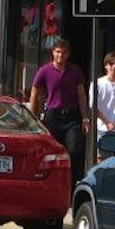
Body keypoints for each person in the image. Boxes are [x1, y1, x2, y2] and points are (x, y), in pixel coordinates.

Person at [29, 37, 91, 178]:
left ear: (68, 54)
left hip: (72, 116)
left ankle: (73, 182)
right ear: (53, 53)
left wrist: (85, 117)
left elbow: (81, 94)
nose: (60, 55)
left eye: (63, 53)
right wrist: (33, 119)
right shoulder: (44, 71)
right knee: (50, 151)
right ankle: (50, 179)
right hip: (53, 115)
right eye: (57, 52)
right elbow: (34, 94)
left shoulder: (75, 71)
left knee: (75, 149)